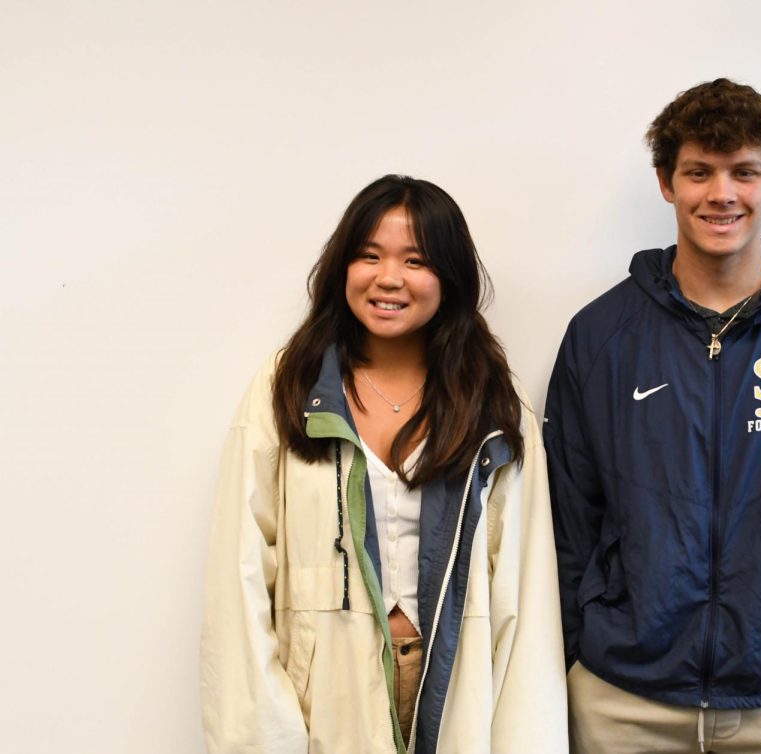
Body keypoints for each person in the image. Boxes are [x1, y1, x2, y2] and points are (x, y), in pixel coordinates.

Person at [545, 79, 761, 754]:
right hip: (626, 700)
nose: (722, 194)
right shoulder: (601, 336)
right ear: (665, 182)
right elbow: (568, 512)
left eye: (744, 172)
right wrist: (577, 647)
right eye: (699, 172)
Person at [201, 175, 567, 753]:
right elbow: (240, 574)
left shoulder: (491, 402)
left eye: (415, 260)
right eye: (368, 255)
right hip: (326, 691)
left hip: (455, 681)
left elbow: (526, 588)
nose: (388, 277)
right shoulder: (288, 387)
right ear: (342, 267)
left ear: (447, 277)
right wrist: (263, 735)